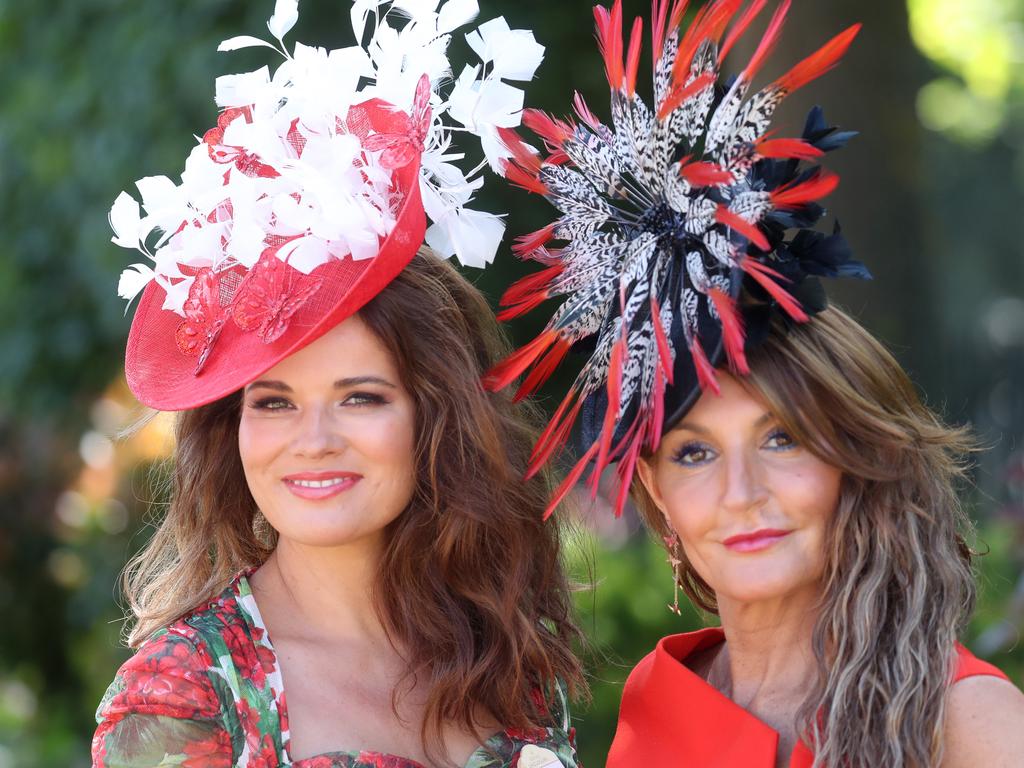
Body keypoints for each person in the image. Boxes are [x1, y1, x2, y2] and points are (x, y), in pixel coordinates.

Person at [486, 0, 1024, 765]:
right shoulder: (655, 700)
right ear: (655, 490)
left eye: (782, 437)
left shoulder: (968, 721)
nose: (742, 492)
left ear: (853, 454)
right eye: (694, 453)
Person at [93, 3, 583, 767]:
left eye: (361, 397)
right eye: (274, 402)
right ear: (234, 431)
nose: (313, 441)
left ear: (437, 416)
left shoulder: (507, 659)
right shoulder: (184, 695)